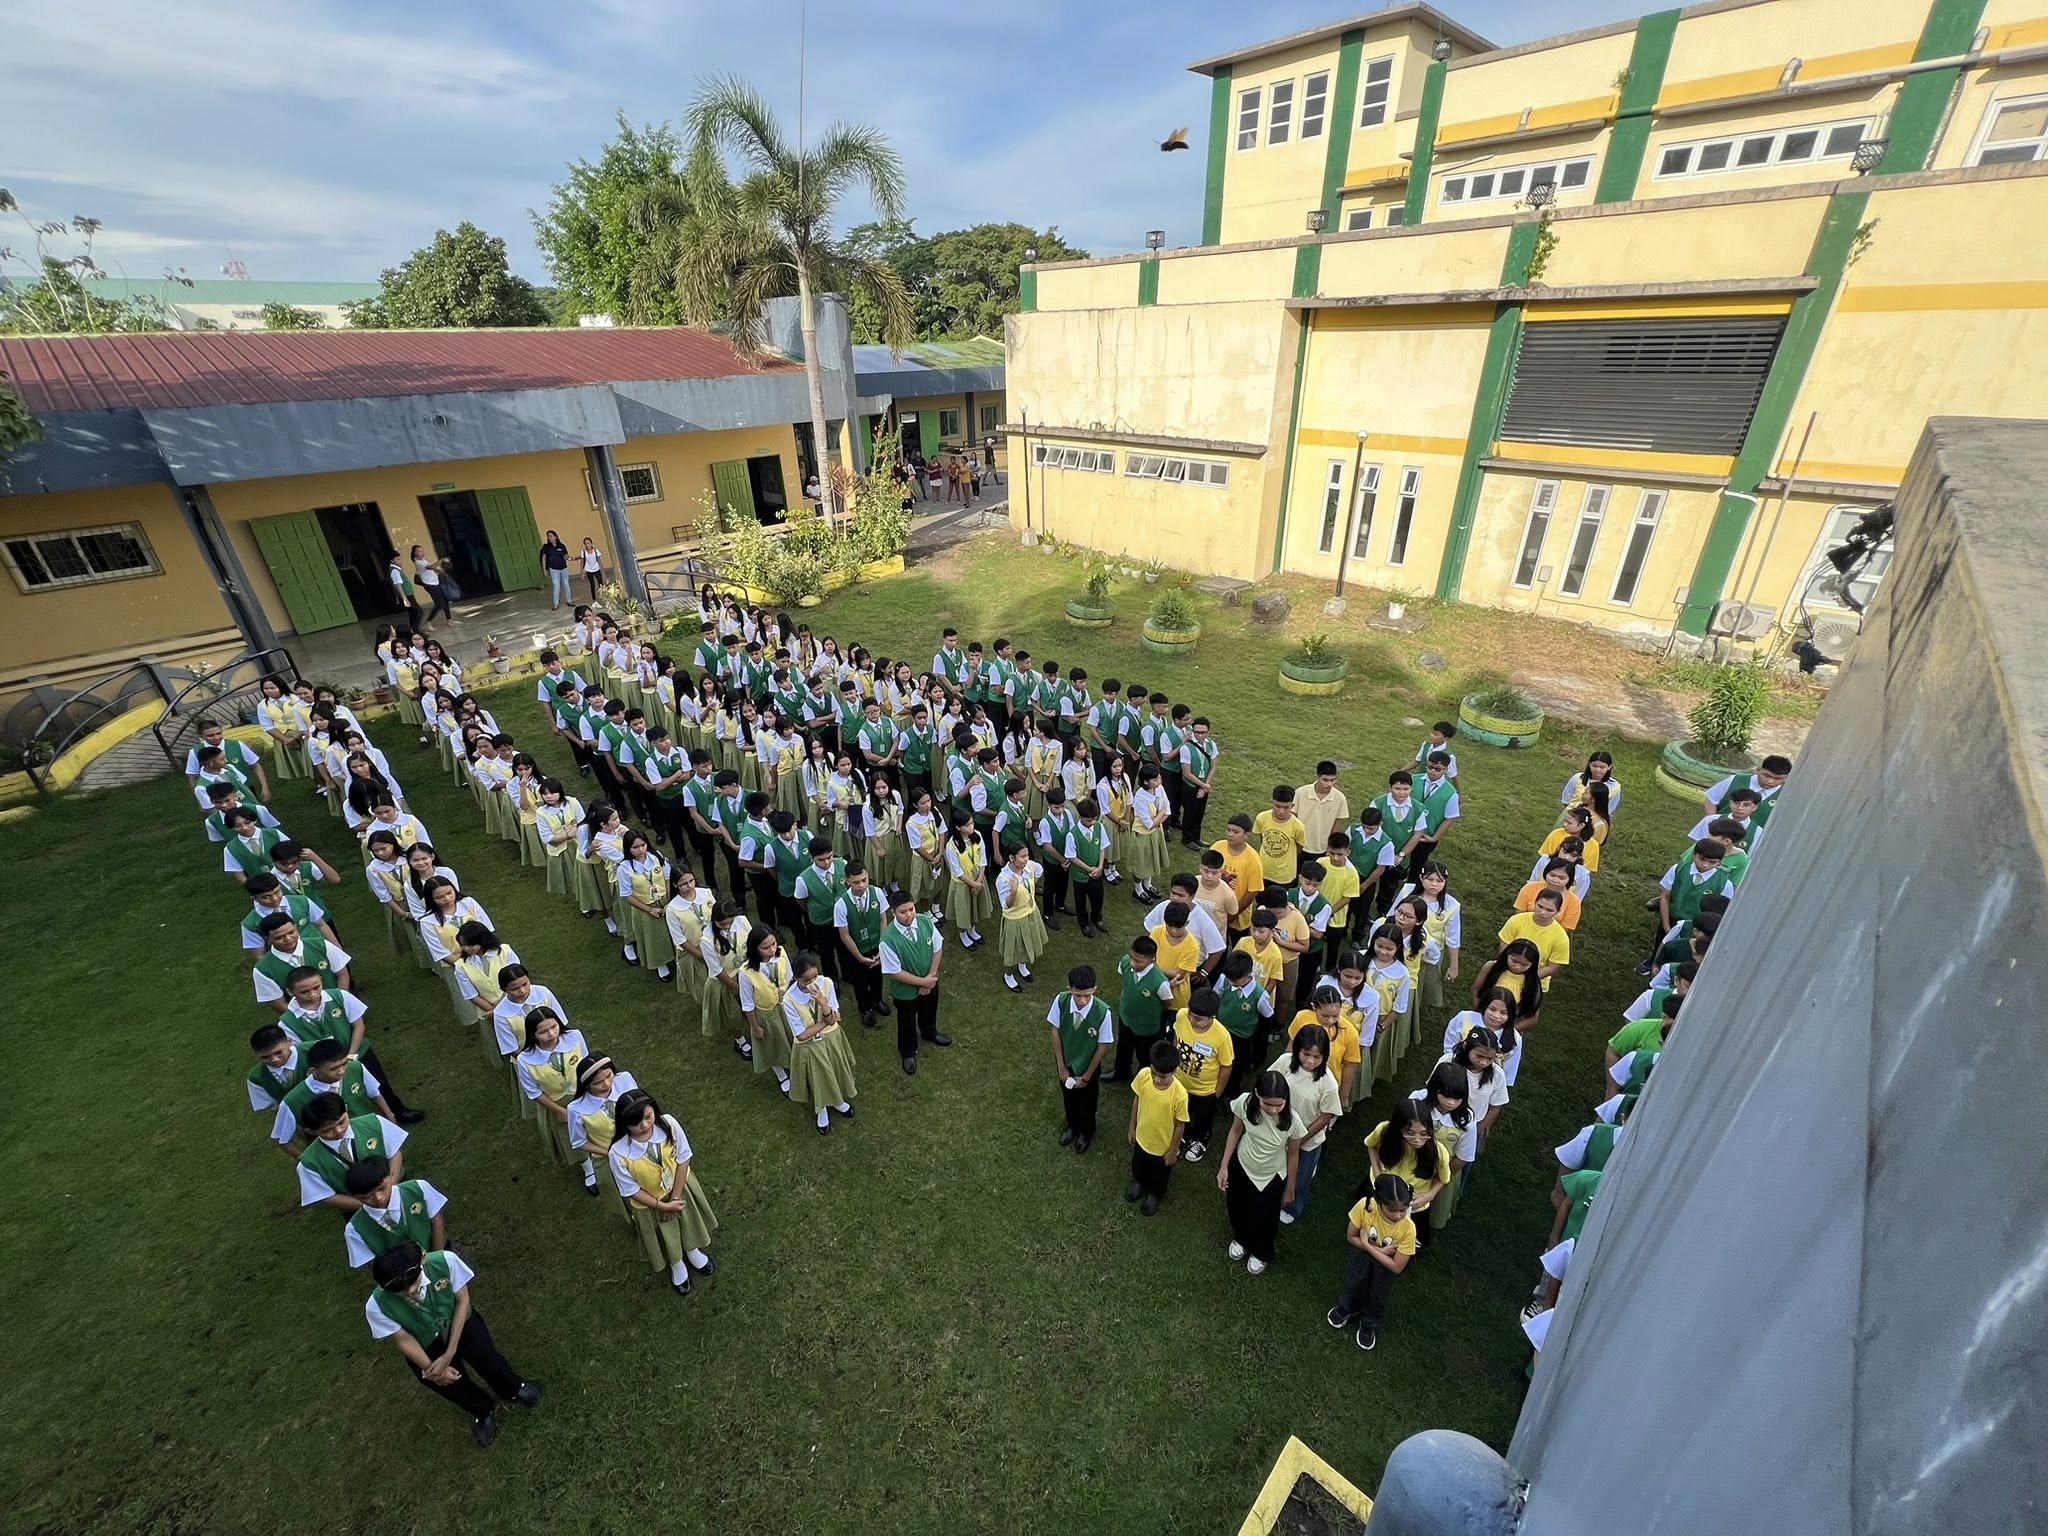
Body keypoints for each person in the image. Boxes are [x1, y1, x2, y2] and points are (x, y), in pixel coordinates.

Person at [364, 1242, 539, 1446]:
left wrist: (449, 1354)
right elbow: (403, 1338)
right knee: (447, 1384)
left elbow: (462, 1301)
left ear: (422, 1259)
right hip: (422, 1341)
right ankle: (482, 1411)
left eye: (413, 1281)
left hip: (459, 1321)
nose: (410, 1290)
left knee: (487, 1358)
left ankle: (513, 1388)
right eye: (399, 1290)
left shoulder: (446, 1261)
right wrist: (434, 1370)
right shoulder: (376, 1306)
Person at [607, 1089, 719, 1295]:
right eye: (635, 1123)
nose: (644, 1125)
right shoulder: (618, 1153)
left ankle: (692, 1249)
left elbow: (683, 1158)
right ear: (624, 1124)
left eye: (648, 1117)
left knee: (688, 1222)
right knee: (665, 1235)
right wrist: (663, 1206)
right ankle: (676, 1263)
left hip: (680, 1189)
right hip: (650, 1204)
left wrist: (675, 1197)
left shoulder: (668, 1124)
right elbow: (630, 1189)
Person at [1216, 1069, 1305, 1276]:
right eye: (1267, 1104)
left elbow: (1293, 1154)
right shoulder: (1245, 1103)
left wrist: (1290, 1187)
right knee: (1237, 1205)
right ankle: (1241, 1237)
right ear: (1257, 1094)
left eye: (1278, 1105)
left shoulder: (1293, 1122)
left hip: (1271, 1176)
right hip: (1242, 1165)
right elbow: (1235, 1131)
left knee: (1265, 1217)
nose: (1273, 1110)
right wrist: (1224, 1166)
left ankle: (1261, 1252)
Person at [1325, 1174, 1418, 1352]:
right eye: (1392, 1210)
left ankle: (1368, 1323)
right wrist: (1382, 1251)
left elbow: (1397, 1267)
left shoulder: (1408, 1229)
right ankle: (1347, 1308)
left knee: (1378, 1293)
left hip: (1384, 1267)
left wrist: (1369, 1246)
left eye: (1403, 1209)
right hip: (1360, 1257)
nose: (1398, 1215)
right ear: (1378, 1201)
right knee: (1354, 1282)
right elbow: (1351, 1237)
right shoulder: (1365, 1206)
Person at [1271, 1023, 1342, 1225]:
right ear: (1297, 1049)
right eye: (1306, 1054)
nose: (1310, 1061)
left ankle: (1292, 1208)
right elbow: (1270, 1083)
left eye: (1317, 1057)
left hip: (1307, 1139)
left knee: (1300, 1177)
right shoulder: (1285, 1062)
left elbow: (1325, 1117)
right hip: (1279, 1129)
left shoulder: (1328, 1083)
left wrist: (1301, 1139)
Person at [782, 952, 860, 1133]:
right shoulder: (789, 1000)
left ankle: (838, 1101)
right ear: (796, 978)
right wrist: (827, 1021)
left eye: (815, 977)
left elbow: (833, 1015)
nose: (812, 983)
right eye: (806, 980)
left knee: (834, 1070)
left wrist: (823, 1003)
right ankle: (822, 1109)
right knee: (818, 1078)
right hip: (809, 1046)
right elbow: (802, 1035)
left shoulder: (827, 983)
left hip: (831, 1038)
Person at [295, 1091, 408, 1211]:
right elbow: (326, 1196)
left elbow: (395, 1153)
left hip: (398, 1188)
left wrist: (390, 1188)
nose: (338, 1131)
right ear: (311, 1132)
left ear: (346, 1109)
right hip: (358, 1210)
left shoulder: (373, 1123)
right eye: (327, 1130)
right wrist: (368, 1205)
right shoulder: (308, 1163)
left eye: (341, 1122)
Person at [880, 889, 950, 1076]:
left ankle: (929, 1032)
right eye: (903, 912)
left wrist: (931, 977)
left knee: (930, 1008)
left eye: (911, 909)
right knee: (907, 1020)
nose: (909, 914)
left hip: (930, 980)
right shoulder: (888, 939)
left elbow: (937, 947)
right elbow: (894, 972)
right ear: (893, 912)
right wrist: (923, 982)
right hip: (905, 991)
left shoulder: (925, 921)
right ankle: (908, 1051)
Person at [1048, 965, 1115, 1153]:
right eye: (1077, 995)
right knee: (1068, 1096)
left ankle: (1086, 1131)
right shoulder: (1061, 1001)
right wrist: (1061, 1067)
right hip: (1067, 1061)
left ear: (1094, 989)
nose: (1082, 1001)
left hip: (1088, 1066)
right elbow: (1055, 1032)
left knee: (1088, 1101)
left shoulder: (1103, 1012)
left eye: (1087, 995)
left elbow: (1102, 1047)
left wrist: (1086, 1077)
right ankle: (1072, 1125)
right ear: (1069, 989)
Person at [343, 1157, 448, 1269]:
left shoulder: (418, 1188)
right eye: (366, 1197)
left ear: (391, 1175)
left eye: (381, 1188)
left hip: (441, 1254)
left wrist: (437, 1259)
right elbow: (374, 1265)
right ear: (354, 1197)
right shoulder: (354, 1229)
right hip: (403, 1276)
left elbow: (436, 1221)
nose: (378, 1198)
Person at [1125, 1038, 1189, 1216]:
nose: (1158, 1079)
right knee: (1139, 1164)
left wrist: (1173, 1151)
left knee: (1159, 1174)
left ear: (1174, 1071)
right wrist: (1132, 1127)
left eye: (1163, 1076)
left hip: (1162, 1147)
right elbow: (1137, 1100)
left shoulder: (1180, 1095)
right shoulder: (1143, 1076)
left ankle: (1154, 1193)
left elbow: (1180, 1126)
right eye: (1154, 1073)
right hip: (1142, 1138)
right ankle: (1140, 1182)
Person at [1171, 988, 1235, 1163]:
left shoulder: (1222, 1036)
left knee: (1203, 1118)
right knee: (1181, 1112)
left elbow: (1226, 1067)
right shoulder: (1181, 1016)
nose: (1192, 1020)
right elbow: (1176, 1039)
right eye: (1190, 1015)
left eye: (1198, 1019)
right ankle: (1182, 1136)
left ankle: (1200, 1139)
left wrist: (1216, 1093)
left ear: (1212, 1017)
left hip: (1205, 1090)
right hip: (1180, 1082)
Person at [1112, 934, 1178, 1084]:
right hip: (1126, 1016)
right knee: (1123, 1047)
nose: (1133, 963)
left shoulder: (1160, 982)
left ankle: (1143, 1079)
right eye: (1132, 957)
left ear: (1152, 960)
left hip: (1147, 1025)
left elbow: (1167, 1003)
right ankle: (1121, 1072)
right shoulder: (1125, 963)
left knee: (1144, 1054)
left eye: (1138, 961)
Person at [995, 840, 1049, 993]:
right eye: (1022, 856)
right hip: (1015, 919)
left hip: (1030, 912)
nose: (1026, 859)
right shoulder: (1003, 879)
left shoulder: (1029, 867)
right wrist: (1013, 891)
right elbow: (1006, 905)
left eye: (1027, 855)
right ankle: (1008, 975)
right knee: (1012, 952)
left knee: (1028, 943)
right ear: (1012, 858)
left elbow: (1039, 870)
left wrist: (1030, 887)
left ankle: (1023, 965)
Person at [1210, 815, 1265, 935]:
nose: (1230, 834)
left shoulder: (1253, 859)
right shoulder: (1217, 847)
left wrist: (1234, 913)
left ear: (1246, 835)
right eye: (1228, 830)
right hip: (1216, 909)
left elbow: (1252, 891)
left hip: (1239, 916)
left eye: (1235, 832)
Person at [1251, 785, 1309, 895]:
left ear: (1292, 806)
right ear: (1271, 802)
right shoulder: (1262, 818)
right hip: (1264, 869)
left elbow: (1299, 846)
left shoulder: (1298, 826)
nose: (1281, 811)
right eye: (1277, 806)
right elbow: (1262, 838)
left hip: (1284, 875)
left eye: (1286, 807)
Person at [412, 543, 453, 624]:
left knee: (445, 601)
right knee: (439, 604)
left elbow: (431, 569)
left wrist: (439, 571)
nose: (422, 552)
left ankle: (449, 620)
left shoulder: (423, 560)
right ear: (415, 553)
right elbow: (431, 567)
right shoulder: (418, 562)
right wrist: (441, 560)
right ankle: (428, 622)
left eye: (422, 551)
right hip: (430, 585)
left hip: (435, 583)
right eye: (419, 551)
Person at [387, 550, 426, 632]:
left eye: (400, 558)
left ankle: (412, 630)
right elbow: (398, 585)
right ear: (392, 561)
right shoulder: (395, 571)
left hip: (408, 594)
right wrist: (405, 599)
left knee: (413, 612)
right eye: (397, 559)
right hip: (407, 595)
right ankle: (415, 630)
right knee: (419, 612)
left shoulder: (397, 569)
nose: (400, 561)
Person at [540, 529, 572, 608]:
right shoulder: (546, 547)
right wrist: (544, 570)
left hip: (563, 568)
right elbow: (543, 558)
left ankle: (569, 601)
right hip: (554, 569)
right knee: (556, 585)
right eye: (548, 536)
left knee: (566, 584)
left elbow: (566, 556)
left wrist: (575, 558)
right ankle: (556, 604)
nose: (549, 538)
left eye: (551, 536)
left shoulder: (561, 546)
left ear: (555, 537)